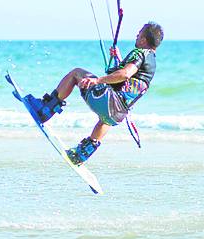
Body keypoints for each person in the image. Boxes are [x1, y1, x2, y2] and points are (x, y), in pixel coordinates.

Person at [24, 21, 163, 165]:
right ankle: (82, 153)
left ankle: (45, 109)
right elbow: (130, 80)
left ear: (144, 39)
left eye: (139, 33)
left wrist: (98, 81)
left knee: (76, 73)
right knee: (105, 120)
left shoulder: (140, 53)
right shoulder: (151, 62)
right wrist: (119, 59)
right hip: (118, 114)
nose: (137, 35)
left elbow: (126, 74)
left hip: (108, 101)